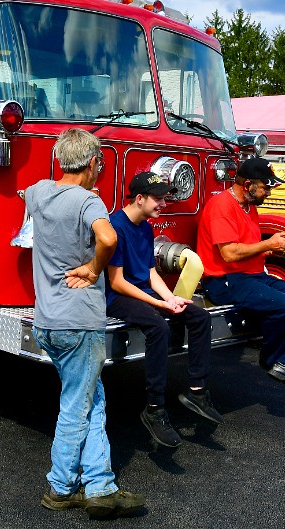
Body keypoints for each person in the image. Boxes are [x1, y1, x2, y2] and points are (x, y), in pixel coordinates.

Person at [25, 128, 146, 519]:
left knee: (91, 401)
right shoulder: (88, 202)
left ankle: (99, 487)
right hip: (79, 323)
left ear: (61, 160)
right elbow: (108, 238)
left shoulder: (39, 192)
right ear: (93, 163)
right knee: (78, 407)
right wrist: (94, 268)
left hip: (47, 321)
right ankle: (60, 488)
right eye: (100, 165)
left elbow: (23, 194)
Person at [106, 172, 223, 448]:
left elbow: (150, 273)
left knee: (198, 316)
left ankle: (197, 391)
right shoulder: (115, 226)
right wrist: (158, 305)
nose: (163, 204)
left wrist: (170, 299)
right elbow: (117, 281)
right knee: (158, 327)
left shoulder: (145, 226)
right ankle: (154, 408)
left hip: (142, 293)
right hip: (117, 298)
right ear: (139, 199)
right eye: (158, 199)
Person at [195, 157, 285, 395]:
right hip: (224, 280)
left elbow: (245, 246)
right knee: (284, 305)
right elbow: (229, 253)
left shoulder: (249, 206)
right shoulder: (222, 206)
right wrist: (267, 244)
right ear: (248, 183)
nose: (268, 193)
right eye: (265, 187)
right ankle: (272, 360)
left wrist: (270, 249)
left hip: (249, 276)